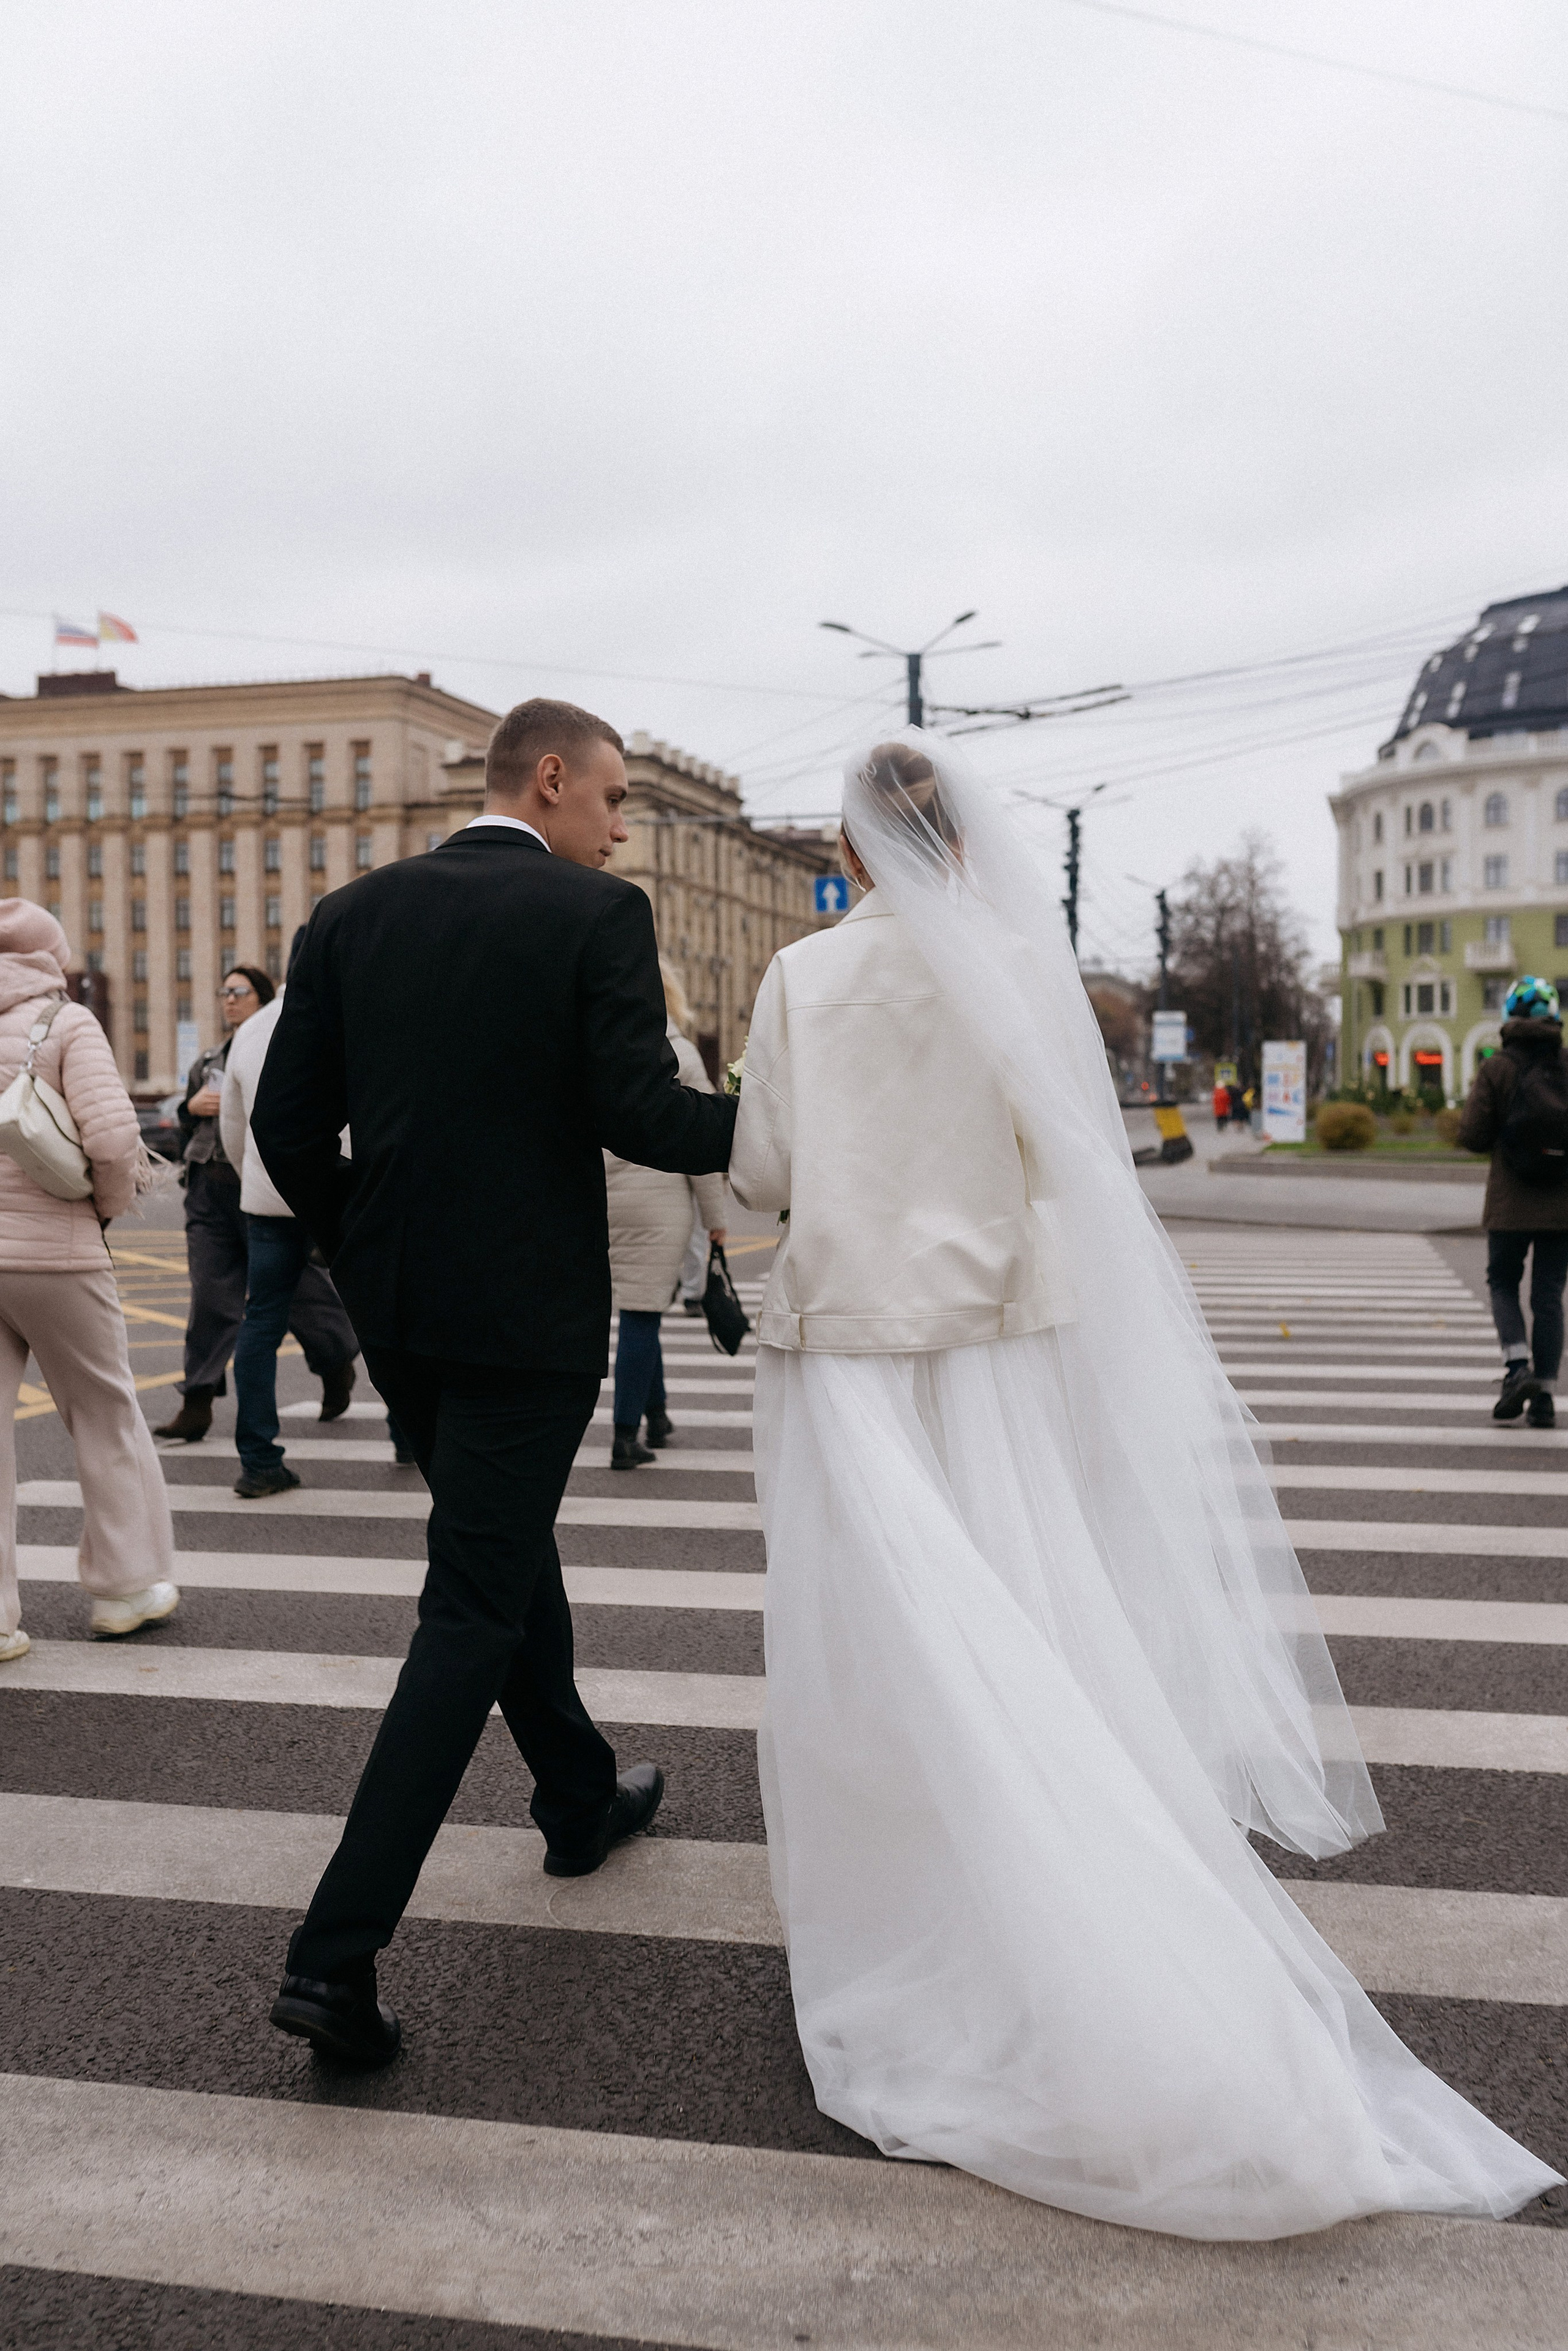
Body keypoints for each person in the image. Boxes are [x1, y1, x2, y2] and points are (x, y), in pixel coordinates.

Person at [728, 734, 1558, 2240]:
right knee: (1029, 1609)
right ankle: (1061, 1885)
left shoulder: (803, 979)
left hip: (854, 1342)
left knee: (894, 1637)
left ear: (846, 850)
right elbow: (1068, 1165)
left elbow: (762, 1171)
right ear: (964, 846)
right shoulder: (1004, 972)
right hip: (995, 1335)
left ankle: (939, 1891)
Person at [251, 696, 736, 2064]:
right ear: (547, 779)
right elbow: (642, 1112)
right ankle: (332, 1959)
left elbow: (287, 1122)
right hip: (527, 1316)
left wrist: (373, 1237)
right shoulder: (593, 918)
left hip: (404, 1312)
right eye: (615, 796)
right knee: (469, 1601)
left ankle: (578, 1796)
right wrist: (787, 1116)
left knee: (499, 1547)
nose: (622, 823)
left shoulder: (349, 916)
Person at [0, 900, 178, 1661]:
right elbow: (111, 1140)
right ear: (51, 956)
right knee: (105, 1411)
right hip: (57, 1253)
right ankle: (124, 1588)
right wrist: (102, 1212)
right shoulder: (65, 1024)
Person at [154, 964, 360, 1444]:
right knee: (210, 1294)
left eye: (239, 992)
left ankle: (335, 1363)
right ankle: (198, 1400)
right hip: (209, 1187)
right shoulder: (209, 1058)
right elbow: (188, 1124)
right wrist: (190, 1109)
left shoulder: (277, 1039)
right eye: (223, 991)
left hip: (260, 1185)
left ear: (263, 998)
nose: (228, 1000)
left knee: (303, 1295)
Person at [219, 942, 360, 1500]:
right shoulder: (354, 1013)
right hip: (345, 1192)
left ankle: (258, 1459)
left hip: (269, 1197)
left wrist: (255, 1175)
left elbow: (233, 1126)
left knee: (260, 1323)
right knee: (381, 1311)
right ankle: (407, 1438)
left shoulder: (253, 1029)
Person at [605, 955, 728, 1466]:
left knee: (644, 1300)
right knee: (641, 1313)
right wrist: (717, 1218)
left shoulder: (602, 1048)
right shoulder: (681, 1055)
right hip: (662, 1206)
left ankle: (655, 1413)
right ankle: (625, 1435)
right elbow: (696, 1144)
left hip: (609, 1199)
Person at [1457, 975, 1568, 1428]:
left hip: (1509, 1202)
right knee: (1548, 1296)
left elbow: (1472, 1136)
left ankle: (1517, 1366)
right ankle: (1543, 1398)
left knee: (1503, 1283)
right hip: (1562, 1206)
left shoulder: (1497, 1068)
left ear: (1511, 1015)